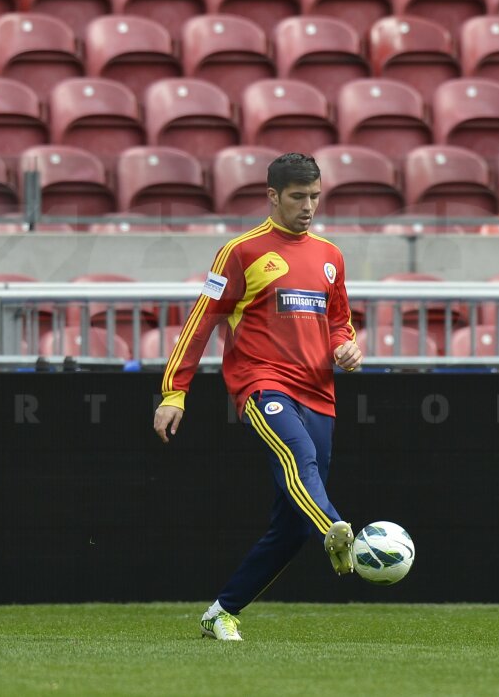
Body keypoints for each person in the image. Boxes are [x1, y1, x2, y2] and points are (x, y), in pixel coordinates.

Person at [152, 153, 363, 641]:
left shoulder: (330, 255)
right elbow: (201, 321)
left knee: (289, 530)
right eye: (297, 197)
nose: (308, 206)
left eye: (314, 196)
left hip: (319, 393)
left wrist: (345, 346)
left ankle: (222, 612)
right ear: (272, 196)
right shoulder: (241, 252)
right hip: (260, 382)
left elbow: (339, 319)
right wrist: (174, 392)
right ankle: (336, 527)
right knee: (299, 454)